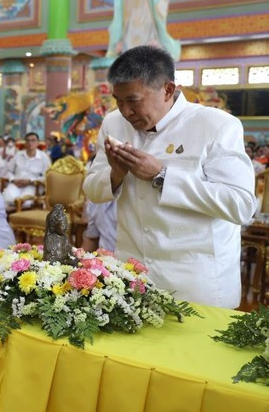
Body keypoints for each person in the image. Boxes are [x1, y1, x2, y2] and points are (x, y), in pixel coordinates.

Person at [83, 46, 255, 308]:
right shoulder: (113, 123)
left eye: (134, 100)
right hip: (132, 275)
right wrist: (115, 174)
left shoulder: (216, 125)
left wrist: (161, 175)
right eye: (118, 101)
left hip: (196, 281)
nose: (126, 111)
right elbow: (92, 189)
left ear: (167, 89)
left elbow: (240, 205)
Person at [2, 132, 51, 208]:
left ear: (37, 143)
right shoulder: (18, 155)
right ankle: (10, 219)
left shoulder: (44, 157)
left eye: (33, 140)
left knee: (25, 203)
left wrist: (30, 181)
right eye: (28, 141)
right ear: (25, 143)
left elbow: (47, 176)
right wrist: (13, 180)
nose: (30, 143)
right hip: (16, 184)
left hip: (33, 186)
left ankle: (21, 218)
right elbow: (9, 171)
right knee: (6, 199)